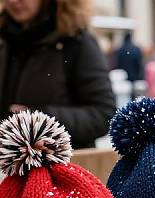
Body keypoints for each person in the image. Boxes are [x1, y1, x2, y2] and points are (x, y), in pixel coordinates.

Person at [0, 0, 115, 149]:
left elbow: (103, 115)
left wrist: (40, 120)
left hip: (64, 166)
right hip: (9, 166)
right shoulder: (5, 39)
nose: (14, 1)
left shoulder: (77, 42)